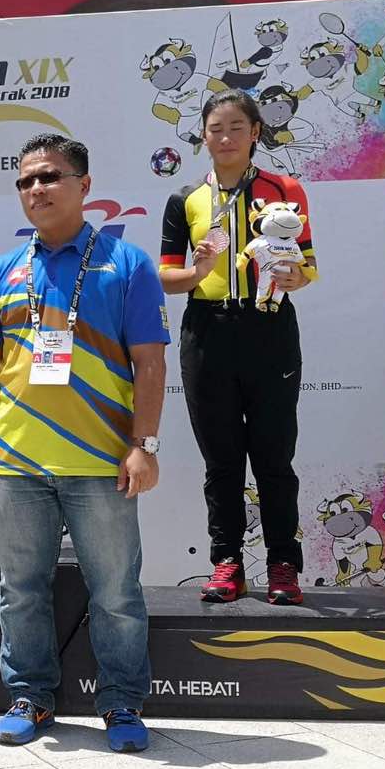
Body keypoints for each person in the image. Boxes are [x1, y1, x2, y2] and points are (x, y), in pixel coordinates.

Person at [0, 134, 168, 752]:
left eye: (49, 177)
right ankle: (30, 695)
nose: (36, 189)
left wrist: (144, 445)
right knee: (20, 590)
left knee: (116, 593)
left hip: (101, 462)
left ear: (84, 186)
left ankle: (122, 703)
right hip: (14, 464)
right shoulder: (1, 272)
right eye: (25, 181)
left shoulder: (127, 264)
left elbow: (150, 364)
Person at [159, 88, 317, 606]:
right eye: (215, 129)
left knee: (275, 457)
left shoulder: (284, 189)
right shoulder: (185, 198)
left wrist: (295, 277)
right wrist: (197, 271)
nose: (225, 138)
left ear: (255, 133)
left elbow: (308, 265)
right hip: (207, 331)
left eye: (236, 128)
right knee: (222, 460)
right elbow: (166, 276)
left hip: (269, 327)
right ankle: (226, 561)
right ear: (203, 137)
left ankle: (283, 564)